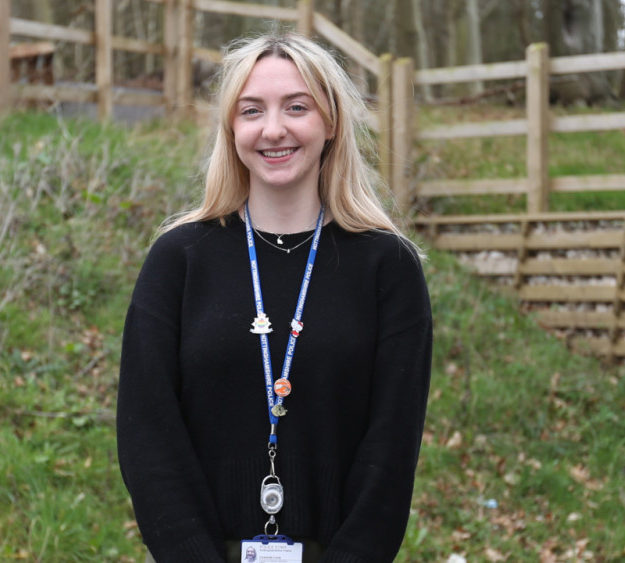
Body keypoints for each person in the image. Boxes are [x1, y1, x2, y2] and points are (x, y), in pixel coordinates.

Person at [117, 31, 432, 563]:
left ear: (330, 122)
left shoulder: (388, 267)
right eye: (251, 110)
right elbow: (148, 436)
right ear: (231, 128)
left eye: (296, 107)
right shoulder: (179, 260)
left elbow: (391, 453)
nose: (274, 129)